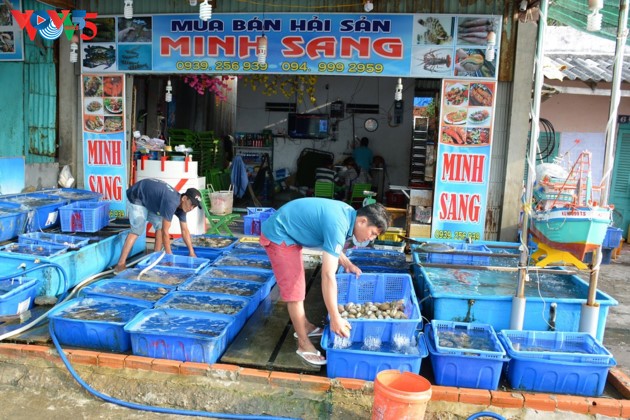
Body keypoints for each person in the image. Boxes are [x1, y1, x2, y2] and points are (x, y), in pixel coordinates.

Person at [260, 199, 389, 366]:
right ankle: (303, 344)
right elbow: (327, 275)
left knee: (298, 285)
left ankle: (305, 326)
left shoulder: (349, 215)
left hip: (291, 229)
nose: (370, 239)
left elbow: (332, 242)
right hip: (279, 235)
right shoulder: (339, 223)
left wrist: (347, 263)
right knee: (295, 290)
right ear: (362, 221)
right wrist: (335, 317)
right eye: (373, 233)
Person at [114, 178, 202, 273]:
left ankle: (156, 259)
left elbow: (185, 231)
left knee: (159, 225)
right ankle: (120, 265)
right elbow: (165, 232)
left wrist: (191, 252)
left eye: (194, 206)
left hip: (149, 200)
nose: (191, 208)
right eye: (191, 204)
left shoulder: (182, 208)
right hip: (136, 195)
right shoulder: (172, 202)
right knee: (138, 229)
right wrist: (169, 257)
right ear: (184, 198)